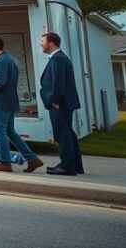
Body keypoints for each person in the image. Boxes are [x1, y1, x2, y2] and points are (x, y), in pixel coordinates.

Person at [0, 36, 43, 173]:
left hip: (0, 103)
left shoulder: (0, 61)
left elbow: (0, 82)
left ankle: (4, 163)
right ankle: (32, 159)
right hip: (8, 102)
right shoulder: (7, 60)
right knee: (10, 132)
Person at [39, 32, 84, 176]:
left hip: (59, 104)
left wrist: (55, 101)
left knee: (62, 135)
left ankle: (67, 166)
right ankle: (74, 165)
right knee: (68, 134)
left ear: (51, 43)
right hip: (65, 103)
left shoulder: (57, 59)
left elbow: (58, 82)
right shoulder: (59, 57)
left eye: (43, 41)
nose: (41, 44)